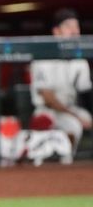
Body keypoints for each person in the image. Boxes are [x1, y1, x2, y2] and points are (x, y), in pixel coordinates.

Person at [30, 9, 92, 156]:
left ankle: (66, 161)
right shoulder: (43, 57)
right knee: (74, 125)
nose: (74, 31)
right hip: (47, 111)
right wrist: (76, 116)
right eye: (68, 27)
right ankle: (57, 162)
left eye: (76, 27)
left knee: (82, 119)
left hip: (70, 108)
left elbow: (87, 94)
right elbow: (48, 98)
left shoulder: (80, 59)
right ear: (56, 31)